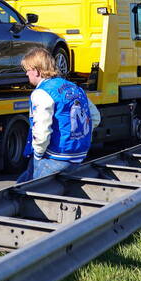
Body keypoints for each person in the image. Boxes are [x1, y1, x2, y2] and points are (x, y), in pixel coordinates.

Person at [16, 47, 101, 183]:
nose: (26, 74)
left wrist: (37, 155)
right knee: (23, 181)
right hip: (78, 155)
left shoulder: (41, 93)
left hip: (55, 157)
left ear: (37, 71)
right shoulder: (75, 87)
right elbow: (95, 117)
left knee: (26, 194)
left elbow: (42, 131)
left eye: (27, 70)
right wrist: (76, 137)